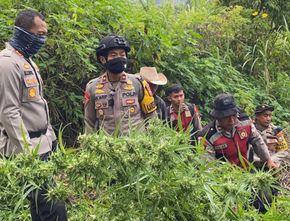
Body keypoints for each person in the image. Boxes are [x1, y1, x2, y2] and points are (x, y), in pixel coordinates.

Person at [0, 10, 67, 220]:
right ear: (22, 32)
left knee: (43, 207)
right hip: (27, 149)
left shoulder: (27, 61)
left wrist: (51, 138)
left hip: (42, 143)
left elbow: (36, 105)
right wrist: (28, 154)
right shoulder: (7, 63)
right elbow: (9, 112)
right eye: (39, 34)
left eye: (44, 34)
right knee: (52, 209)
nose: (42, 39)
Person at [84, 35, 157, 135]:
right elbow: (89, 122)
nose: (119, 58)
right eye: (113, 55)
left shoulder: (138, 83)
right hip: (108, 148)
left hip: (138, 146)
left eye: (122, 55)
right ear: (103, 59)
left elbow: (152, 117)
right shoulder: (92, 87)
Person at [199, 93, 277, 169]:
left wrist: (268, 160)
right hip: (224, 176)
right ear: (218, 117)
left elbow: (257, 141)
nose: (232, 121)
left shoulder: (246, 122)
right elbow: (208, 166)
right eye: (226, 117)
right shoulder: (207, 136)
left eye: (234, 115)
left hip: (249, 169)